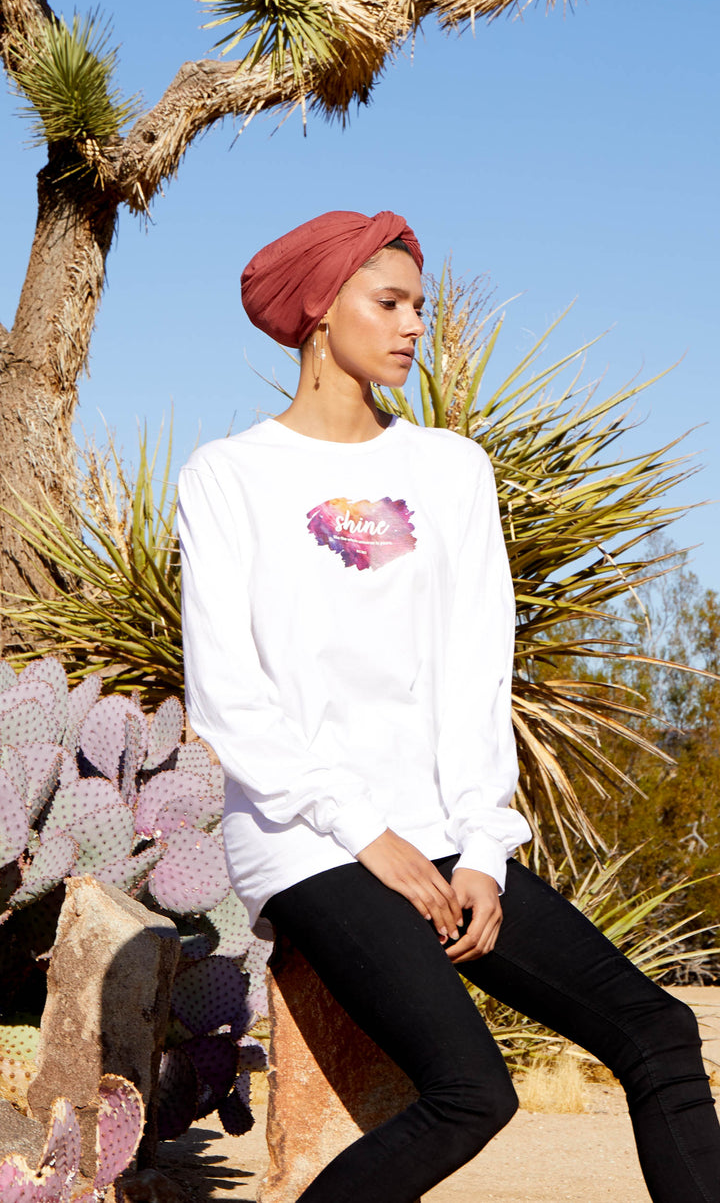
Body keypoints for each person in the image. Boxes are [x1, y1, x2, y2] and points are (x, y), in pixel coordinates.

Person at [177, 210, 720, 1203]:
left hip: (442, 827)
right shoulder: (232, 476)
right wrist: (368, 835)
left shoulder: (450, 468)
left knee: (660, 1032)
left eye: (418, 307)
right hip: (310, 837)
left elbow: (476, 669)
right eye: (388, 303)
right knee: (473, 1091)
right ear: (319, 309)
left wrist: (480, 849)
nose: (413, 326)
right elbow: (229, 697)